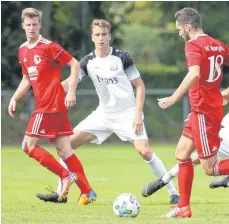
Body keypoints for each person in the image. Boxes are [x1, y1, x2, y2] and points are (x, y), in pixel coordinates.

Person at [36, 18, 179, 206]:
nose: (101, 38)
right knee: (66, 145)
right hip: (103, 115)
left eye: (104, 34)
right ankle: (61, 194)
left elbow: (140, 87)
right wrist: (49, 92)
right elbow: (70, 82)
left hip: (128, 114)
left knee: (145, 151)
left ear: (109, 36)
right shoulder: (87, 62)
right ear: (92, 37)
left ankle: (173, 192)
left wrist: (137, 115)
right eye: (97, 35)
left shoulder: (122, 57)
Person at [8, 8, 94, 203]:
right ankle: (87, 191)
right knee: (64, 150)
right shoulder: (22, 50)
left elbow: (74, 64)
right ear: (23, 26)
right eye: (28, 25)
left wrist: (71, 90)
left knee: (28, 146)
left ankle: (65, 176)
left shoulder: (49, 47)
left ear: (40, 25)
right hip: (51, 106)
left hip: (50, 104)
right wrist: (15, 98)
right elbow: (26, 79)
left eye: (35, 25)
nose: (31, 28)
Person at [156, 8, 229, 218]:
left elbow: (194, 74)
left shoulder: (193, 45)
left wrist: (173, 97)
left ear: (188, 26)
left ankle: (184, 206)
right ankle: (183, 207)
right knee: (181, 154)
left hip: (205, 113)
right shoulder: (216, 44)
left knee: (210, 168)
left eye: (180, 29)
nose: (180, 33)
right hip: (200, 111)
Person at [142, 112, 229, 197]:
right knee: (193, 159)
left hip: (220, 133)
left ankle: (165, 180)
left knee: (195, 159)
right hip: (222, 135)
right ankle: (165, 180)